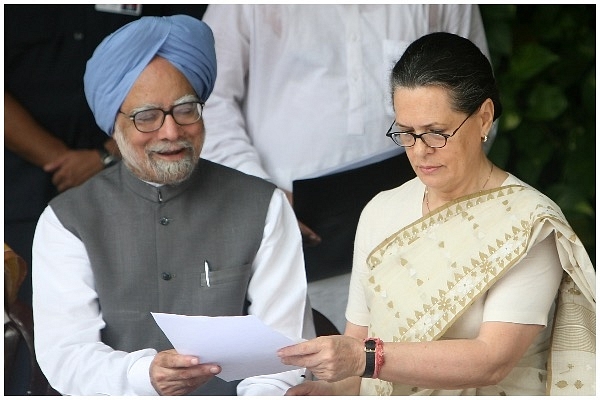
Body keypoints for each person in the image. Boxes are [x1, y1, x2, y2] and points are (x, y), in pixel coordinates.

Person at [277, 32, 596, 396]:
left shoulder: (529, 222)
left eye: (436, 133)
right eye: (407, 133)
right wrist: (327, 392)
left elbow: (492, 360)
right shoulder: (381, 210)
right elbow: (356, 362)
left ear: (484, 118)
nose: (419, 151)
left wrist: (366, 359)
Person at [31, 15, 314, 396]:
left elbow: (285, 355)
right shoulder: (67, 221)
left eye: (185, 109)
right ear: (114, 127)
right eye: (147, 116)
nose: (171, 131)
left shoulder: (263, 205)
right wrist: (144, 375)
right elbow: (66, 356)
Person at [200, 4, 494, 331]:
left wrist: (445, 186)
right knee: (303, 363)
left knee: (412, 361)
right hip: (293, 229)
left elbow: (475, 96)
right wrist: (262, 195)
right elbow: (209, 101)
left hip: (422, 228)